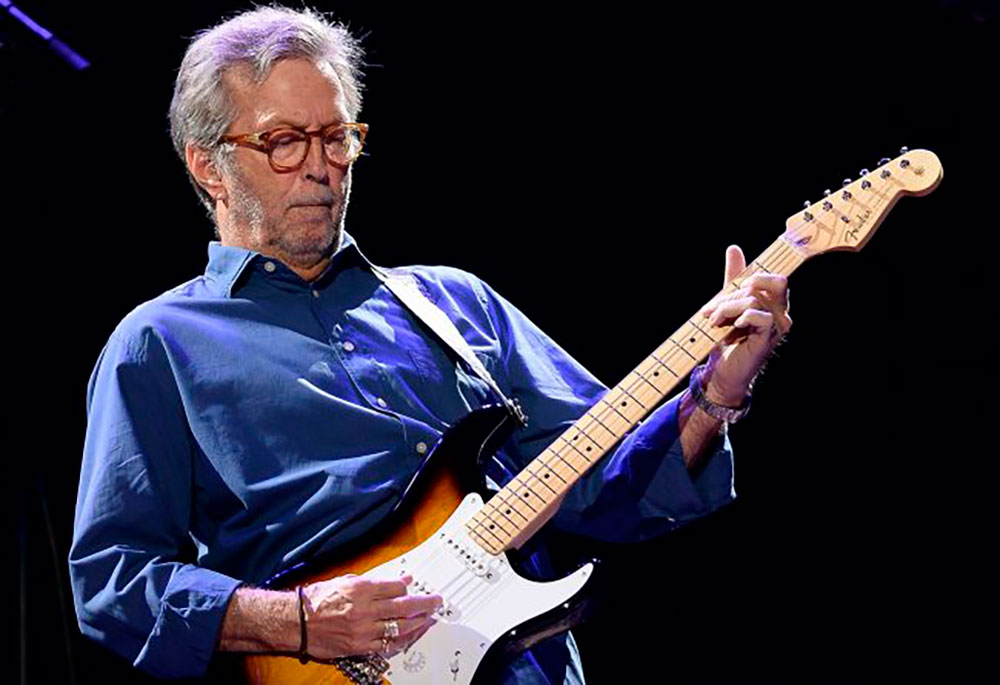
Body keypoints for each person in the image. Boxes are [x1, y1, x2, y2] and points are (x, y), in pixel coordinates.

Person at [69, 6, 790, 683]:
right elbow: (112, 579)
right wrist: (298, 621)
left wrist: (716, 393)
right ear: (207, 165)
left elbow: (611, 487)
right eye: (284, 142)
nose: (321, 167)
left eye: (337, 137)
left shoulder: (456, 303)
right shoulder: (159, 343)